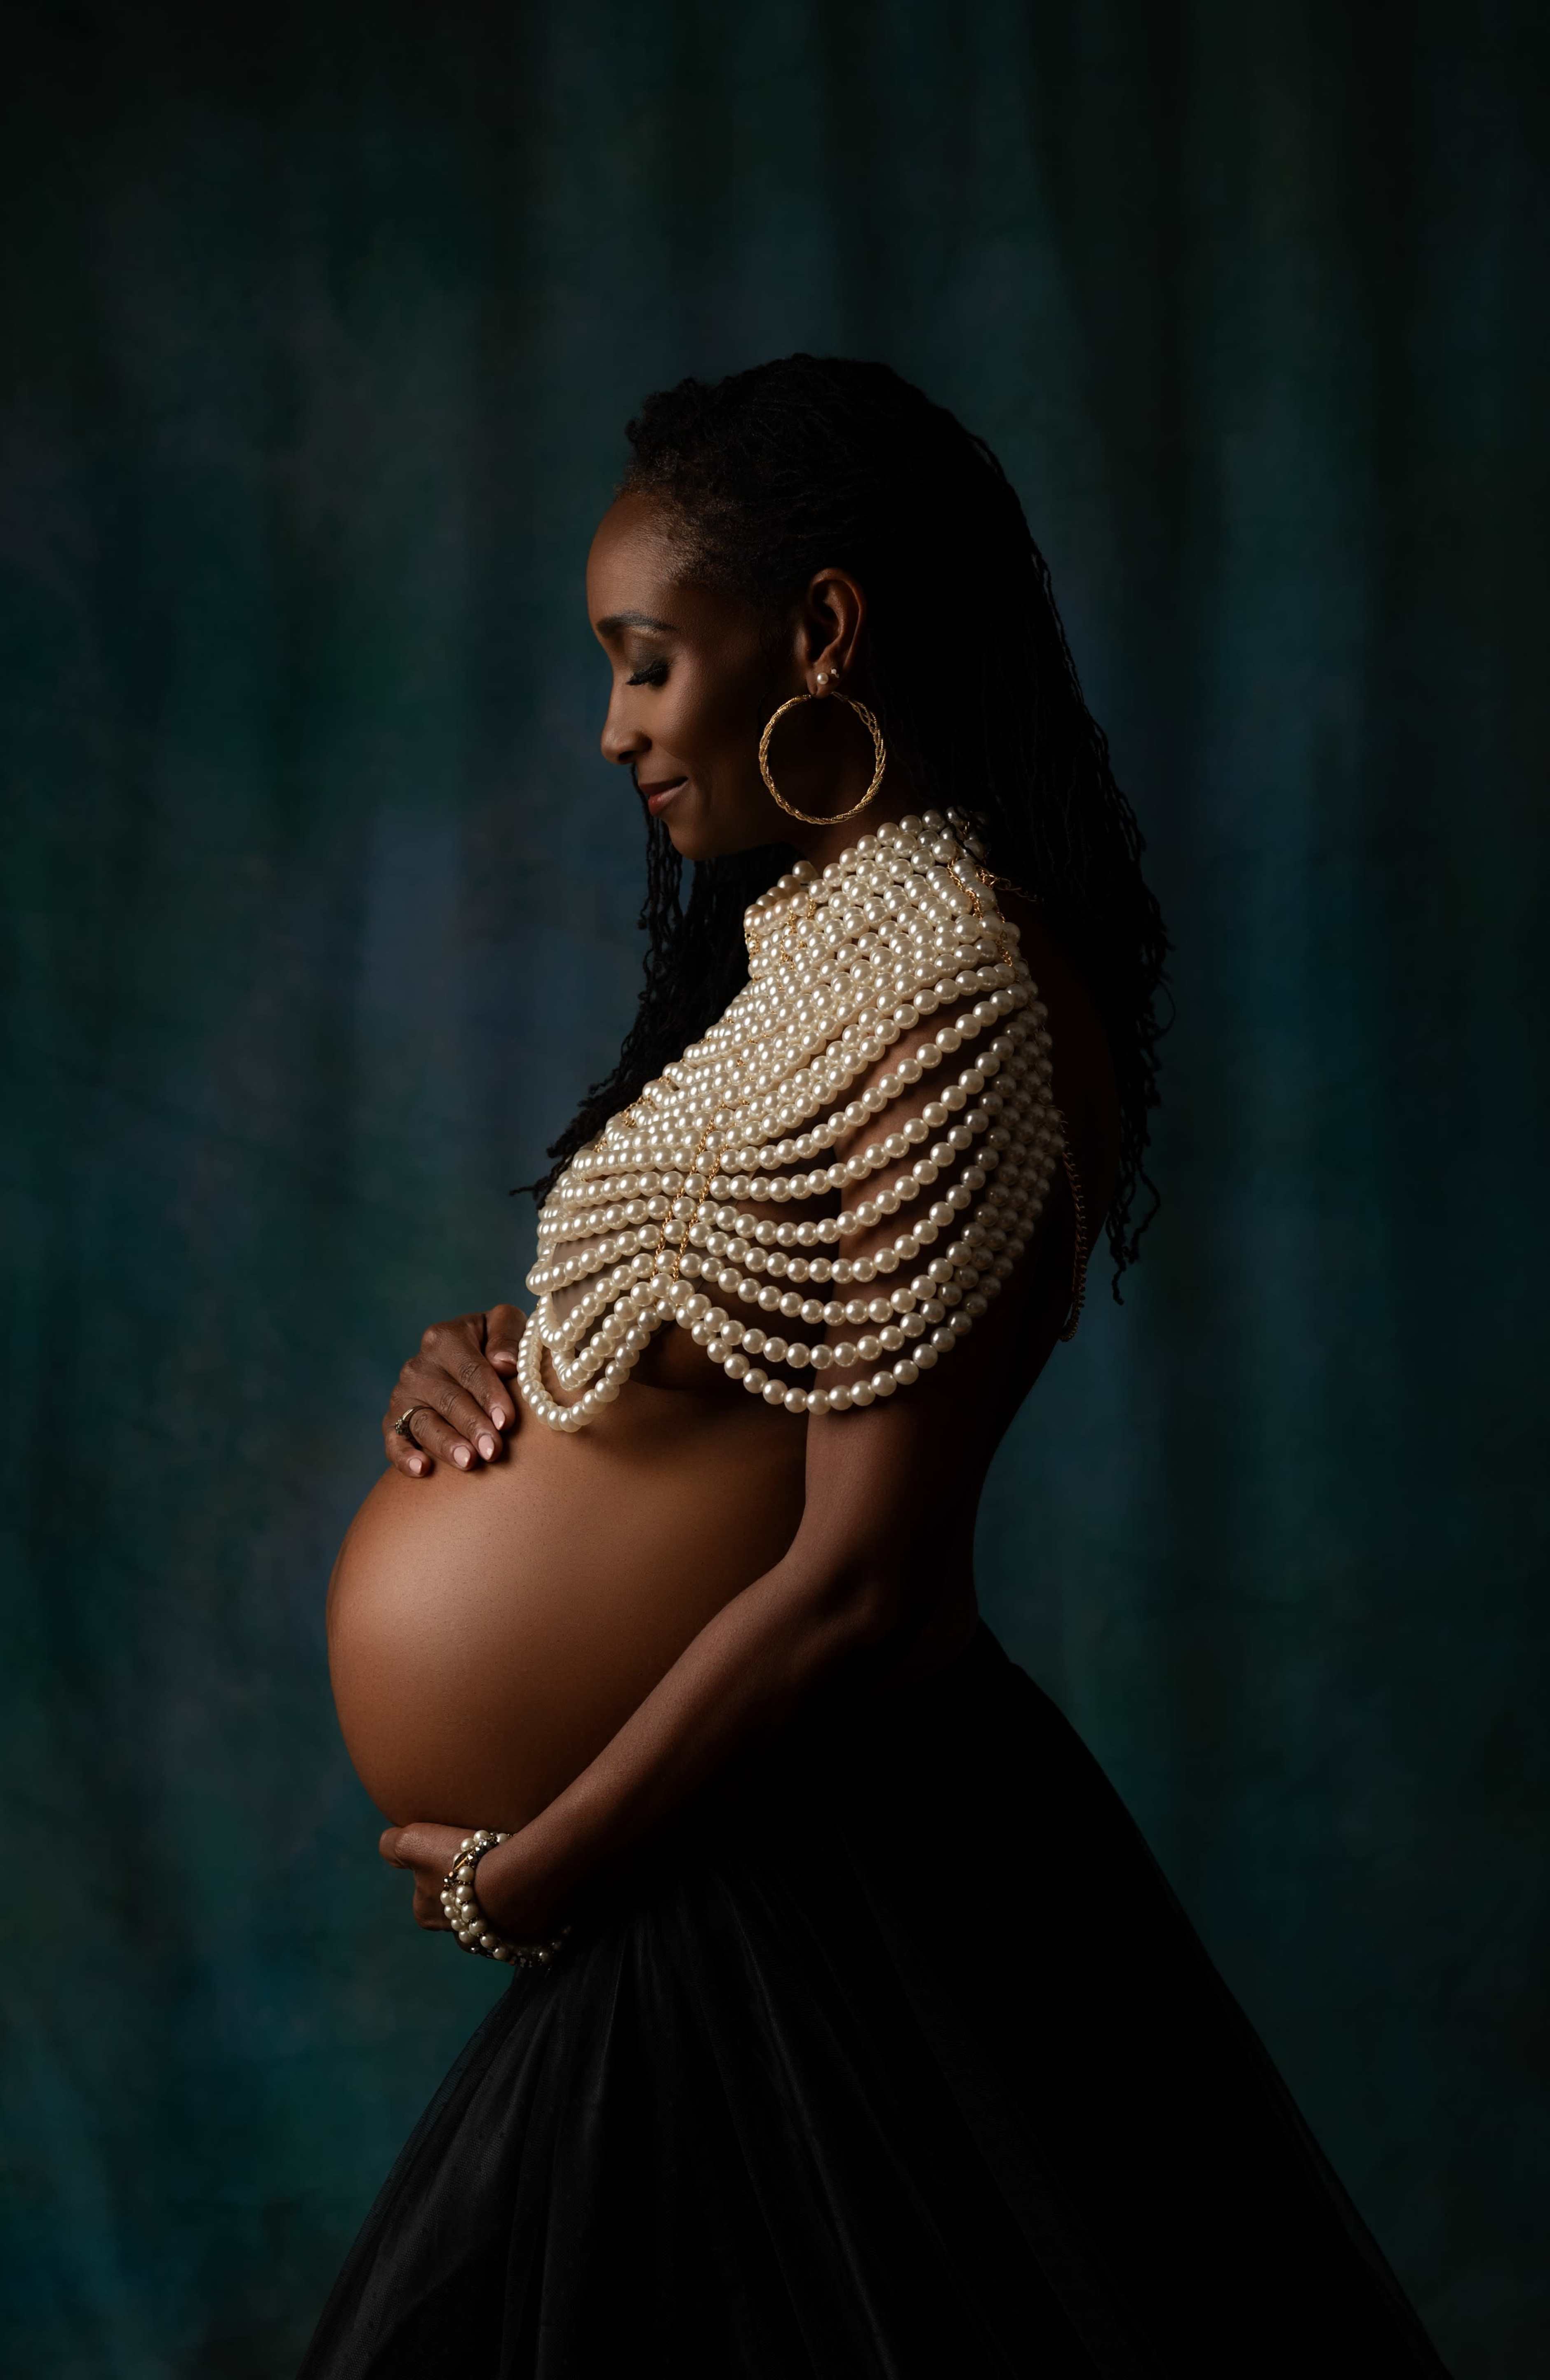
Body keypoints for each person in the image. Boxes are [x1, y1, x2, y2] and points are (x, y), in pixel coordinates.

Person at [301, 357, 1449, 2377]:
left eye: (648, 664)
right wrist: (506, 1364)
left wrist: (535, 1872)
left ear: (821, 634)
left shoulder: (958, 997)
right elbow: (720, 1351)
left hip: (788, 1871)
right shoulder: (824, 955)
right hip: (711, 1868)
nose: (613, 729)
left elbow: (864, 1585)